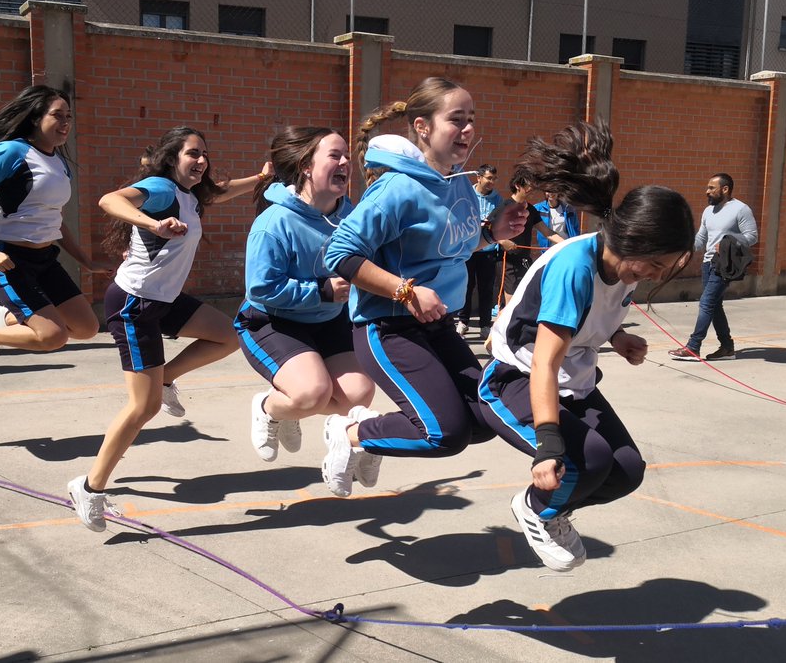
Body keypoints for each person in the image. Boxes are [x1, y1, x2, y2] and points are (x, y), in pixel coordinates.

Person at [480, 121, 695, 572]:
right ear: (632, 241)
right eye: (655, 264)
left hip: (569, 379)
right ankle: (536, 509)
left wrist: (617, 336)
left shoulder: (623, 268)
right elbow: (543, 361)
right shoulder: (575, 268)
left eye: (665, 266)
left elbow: (589, 317)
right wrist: (548, 443)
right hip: (516, 379)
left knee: (627, 470)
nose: (656, 274)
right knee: (588, 461)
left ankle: (555, 508)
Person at [319, 77, 529, 498]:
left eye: (471, 120)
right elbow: (339, 254)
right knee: (444, 434)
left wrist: (491, 234)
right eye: (456, 119)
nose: (468, 129)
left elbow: (455, 247)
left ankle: (373, 433)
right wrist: (406, 291)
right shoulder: (396, 188)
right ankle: (352, 432)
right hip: (387, 326)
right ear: (423, 127)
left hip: (436, 325)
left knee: (488, 416)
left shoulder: (459, 185)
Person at [67, 126, 269, 532]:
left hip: (164, 300)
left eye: (205, 154)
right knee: (143, 408)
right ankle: (89, 487)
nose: (201, 161)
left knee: (229, 334)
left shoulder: (192, 197)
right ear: (172, 157)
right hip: (134, 304)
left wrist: (260, 179)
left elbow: (220, 191)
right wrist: (153, 225)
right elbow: (110, 200)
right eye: (192, 153)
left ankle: (167, 378)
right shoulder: (160, 188)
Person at [236, 126, 374, 464]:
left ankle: (291, 410)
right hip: (272, 321)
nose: (345, 162)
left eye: (347, 156)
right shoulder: (275, 222)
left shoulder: (349, 213)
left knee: (359, 393)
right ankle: (271, 408)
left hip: (326, 320)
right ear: (306, 166)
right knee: (311, 392)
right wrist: (323, 290)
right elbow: (261, 287)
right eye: (334, 155)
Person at [0, 85, 108, 375]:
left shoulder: (59, 163)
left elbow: (55, 219)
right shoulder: (12, 152)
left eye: (69, 117)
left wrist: (86, 261)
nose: (65, 123)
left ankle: (8, 318)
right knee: (54, 337)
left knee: (87, 327)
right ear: (36, 119)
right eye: (57, 115)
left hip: (45, 259)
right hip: (10, 261)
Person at [668, 173, 758, 362]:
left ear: (724, 189)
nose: (706, 191)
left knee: (706, 302)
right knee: (715, 305)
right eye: (707, 187)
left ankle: (693, 347)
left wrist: (729, 242)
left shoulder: (741, 209)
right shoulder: (709, 211)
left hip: (725, 263)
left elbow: (752, 236)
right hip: (708, 264)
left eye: (711, 187)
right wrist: (686, 251)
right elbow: (701, 238)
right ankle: (726, 347)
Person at [495, 177, 563, 308]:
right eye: (528, 186)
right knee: (510, 305)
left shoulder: (531, 210)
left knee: (525, 300)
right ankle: (504, 327)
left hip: (525, 260)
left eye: (533, 186)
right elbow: (487, 228)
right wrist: (503, 241)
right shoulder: (504, 206)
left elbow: (547, 232)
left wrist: (567, 243)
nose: (531, 190)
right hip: (508, 262)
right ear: (517, 186)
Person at [456, 164, 501, 338]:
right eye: (489, 178)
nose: (491, 182)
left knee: (486, 288)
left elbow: (498, 223)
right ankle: (463, 321)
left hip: (488, 250)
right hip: (468, 250)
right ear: (479, 177)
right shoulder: (468, 195)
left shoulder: (498, 200)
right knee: (466, 287)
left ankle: (484, 324)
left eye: (494, 179)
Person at [533, 189, 581, 253]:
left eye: (554, 190)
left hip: (566, 247)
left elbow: (575, 228)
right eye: (548, 191)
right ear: (545, 192)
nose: (551, 193)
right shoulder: (538, 209)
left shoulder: (568, 209)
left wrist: (574, 245)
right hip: (548, 250)